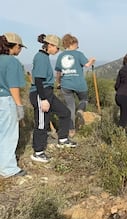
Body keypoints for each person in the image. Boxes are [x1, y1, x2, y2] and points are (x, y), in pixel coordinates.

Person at [29, 34, 77, 163]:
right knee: (42, 123)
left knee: (65, 112)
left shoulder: (45, 57)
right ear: (50, 45)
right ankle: (38, 152)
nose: (58, 51)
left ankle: (62, 139)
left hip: (47, 92)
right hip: (41, 93)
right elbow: (38, 80)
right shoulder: (40, 58)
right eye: (57, 48)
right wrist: (43, 99)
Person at [55, 33, 96, 137]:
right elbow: (87, 65)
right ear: (73, 43)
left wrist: (58, 82)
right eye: (77, 45)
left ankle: (71, 130)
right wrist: (91, 60)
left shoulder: (60, 56)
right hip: (79, 83)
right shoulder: (78, 54)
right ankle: (81, 110)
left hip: (66, 84)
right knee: (84, 99)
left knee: (70, 108)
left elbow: (58, 73)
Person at [0, 32, 27, 177]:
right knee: (8, 134)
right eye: (20, 46)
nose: (20, 49)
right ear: (14, 46)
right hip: (6, 100)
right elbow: (13, 86)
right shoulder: (12, 62)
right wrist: (19, 106)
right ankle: (8, 169)